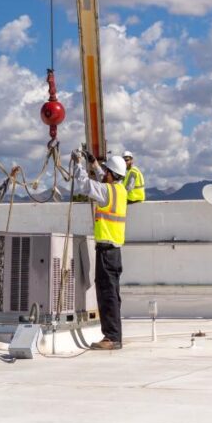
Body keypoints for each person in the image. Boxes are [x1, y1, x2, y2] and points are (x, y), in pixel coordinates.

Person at [72, 150, 128, 350]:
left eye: (106, 171)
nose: (104, 173)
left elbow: (86, 186)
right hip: (115, 252)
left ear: (111, 174)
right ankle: (115, 335)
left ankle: (111, 338)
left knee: (107, 294)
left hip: (106, 251)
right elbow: (103, 185)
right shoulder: (120, 191)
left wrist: (78, 165)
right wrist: (94, 164)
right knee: (113, 294)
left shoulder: (107, 191)